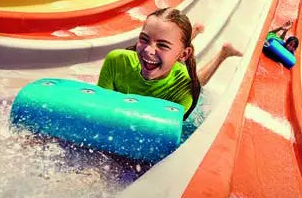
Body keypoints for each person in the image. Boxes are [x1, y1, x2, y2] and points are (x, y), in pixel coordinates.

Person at [98, 7, 241, 118]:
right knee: (170, 47)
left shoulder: (183, 87)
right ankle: (192, 32)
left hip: (175, 64)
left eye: (162, 45)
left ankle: (223, 54)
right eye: (144, 39)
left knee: (197, 81)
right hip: (169, 57)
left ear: (184, 55)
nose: (148, 50)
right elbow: (100, 108)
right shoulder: (116, 60)